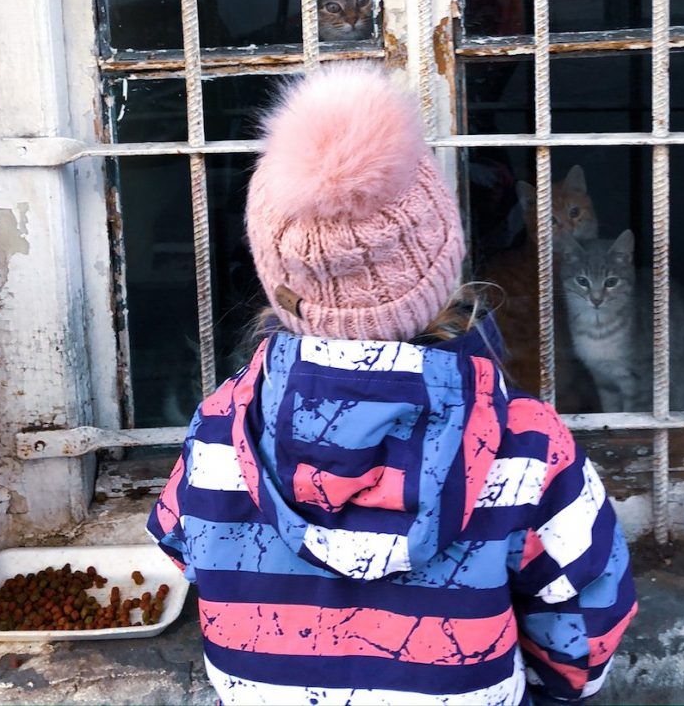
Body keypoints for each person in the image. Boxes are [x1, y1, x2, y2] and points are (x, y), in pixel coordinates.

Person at [147, 63, 636, 705]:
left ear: (279, 279)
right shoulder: (526, 445)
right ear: (444, 264)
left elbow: (184, 550)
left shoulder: (219, 429)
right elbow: (588, 615)